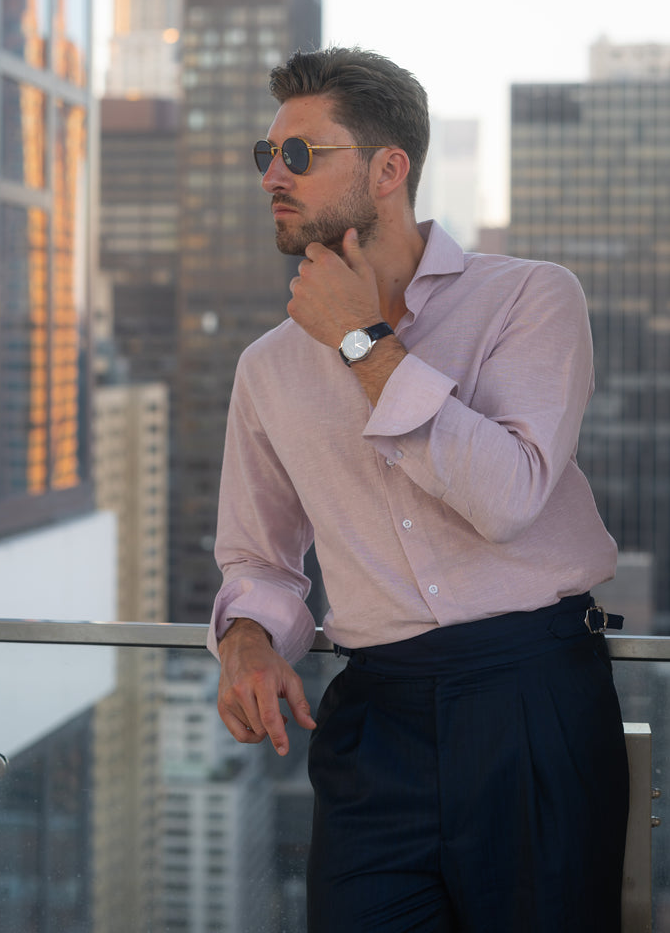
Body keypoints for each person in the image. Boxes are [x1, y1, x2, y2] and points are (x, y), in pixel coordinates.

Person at [207, 47, 629, 932]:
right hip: (375, 716)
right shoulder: (268, 368)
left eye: (299, 156)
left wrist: (361, 343)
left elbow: (509, 496)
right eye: (265, 155)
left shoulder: (531, 300)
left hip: (531, 696)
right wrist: (245, 637)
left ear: (388, 169)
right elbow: (259, 556)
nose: (270, 178)